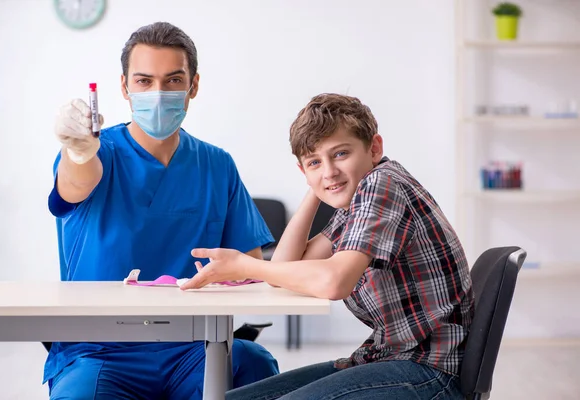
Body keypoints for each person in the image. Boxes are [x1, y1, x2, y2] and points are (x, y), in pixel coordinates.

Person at [181, 94, 475, 399]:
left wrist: (243, 265)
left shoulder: (382, 184)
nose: (330, 171)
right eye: (314, 162)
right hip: (395, 359)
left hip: (430, 371)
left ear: (374, 148)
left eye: (341, 154)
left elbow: (335, 282)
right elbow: (282, 270)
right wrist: (317, 186)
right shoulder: (354, 204)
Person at [47, 21, 278, 399]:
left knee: (253, 363)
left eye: (172, 81)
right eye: (144, 81)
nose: (158, 93)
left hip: (192, 347)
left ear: (193, 85)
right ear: (124, 87)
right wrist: (77, 152)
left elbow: (249, 267)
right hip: (102, 350)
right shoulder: (96, 153)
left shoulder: (216, 165)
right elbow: (75, 185)